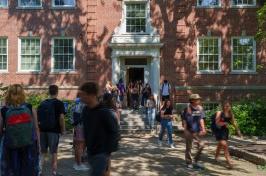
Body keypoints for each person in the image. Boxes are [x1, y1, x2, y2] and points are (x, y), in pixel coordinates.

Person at [78, 82, 120, 176]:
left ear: (92, 95)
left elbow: (114, 132)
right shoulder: (85, 110)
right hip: (91, 152)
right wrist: (83, 148)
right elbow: (86, 131)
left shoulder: (104, 112)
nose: (81, 97)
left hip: (101, 153)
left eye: (83, 94)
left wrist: (107, 153)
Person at [0, 84, 40, 176]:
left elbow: (0, 129)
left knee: (12, 170)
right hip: (29, 145)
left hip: (10, 146)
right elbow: (36, 128)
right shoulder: (30, 108)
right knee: (28, 170)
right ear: (23, 94)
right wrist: (38, 144)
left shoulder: (4, 110)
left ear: (9, 94)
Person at [38, 85, 66, 176]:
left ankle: (39, 171)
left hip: (42, 130)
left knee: (42, 152)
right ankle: (54, 172)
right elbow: (61, 118)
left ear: (49, 92)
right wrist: (63, 129)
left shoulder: (42, 103)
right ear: (57, 92)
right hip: (53, 131)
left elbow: (38, 118)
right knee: (54, 152)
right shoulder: (59, 103)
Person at [213, 101, 242, 169]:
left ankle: (216, 157)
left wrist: (238, 130)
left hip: (224, 129)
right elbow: (217, 123)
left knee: (221, 144)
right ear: (223, 107)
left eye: (228, 106)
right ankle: (229, 160)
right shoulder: (219, 113)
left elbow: (234, 122)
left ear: (230, 106)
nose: (227, 107)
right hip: (217, 129)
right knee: (224, 144)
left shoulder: (230, 114)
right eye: (225, 106)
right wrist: (224, 123)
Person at [182, 94, 206, 170]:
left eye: (199, 99)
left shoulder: (200, 108)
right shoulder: (187, 109)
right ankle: (189, 162)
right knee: (189, 148)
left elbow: (201, 119)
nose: (199, 100)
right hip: (189, 131)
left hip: (198, 131)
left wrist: (203, 128)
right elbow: (185, 120)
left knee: (201, 145)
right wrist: (185, 130)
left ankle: (195, 161)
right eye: (197, 99)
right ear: (192, 100)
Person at [72, 96, 90, 171]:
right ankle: (79, 164)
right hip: (81, 126)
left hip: (76, 126)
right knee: (80, 146)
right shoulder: (83, 103)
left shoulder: (76, 102)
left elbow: (72, 115)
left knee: (77, 145)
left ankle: (76, 163)